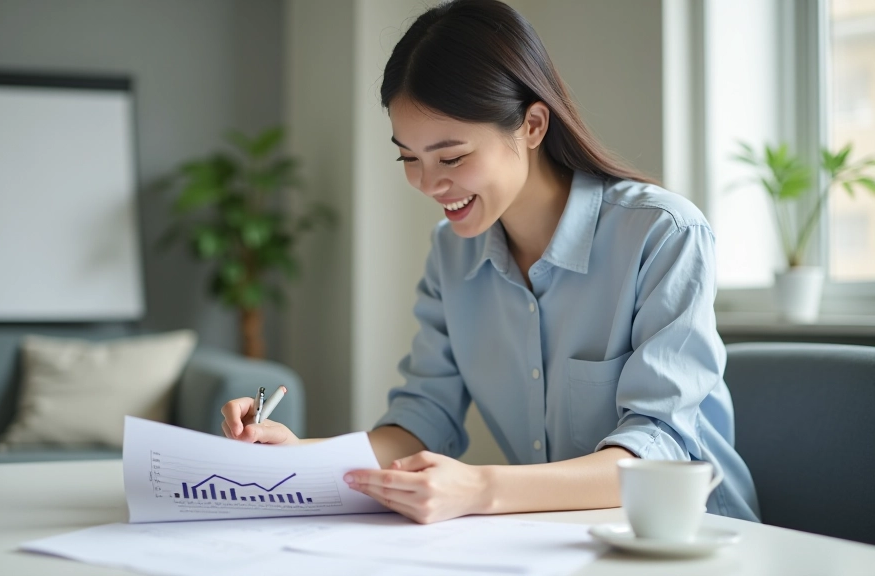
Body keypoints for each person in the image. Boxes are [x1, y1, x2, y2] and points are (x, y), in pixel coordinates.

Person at [221, 0, 760, 525]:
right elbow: (421, 420)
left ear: (531, 126)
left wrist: (479, 487)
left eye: (451, 157)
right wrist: (297, 456)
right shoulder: (451, 253)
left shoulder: (663, 234)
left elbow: (657, 450)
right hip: (557, 541)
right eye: (409, 157)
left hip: (698, 538)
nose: (429, 183)